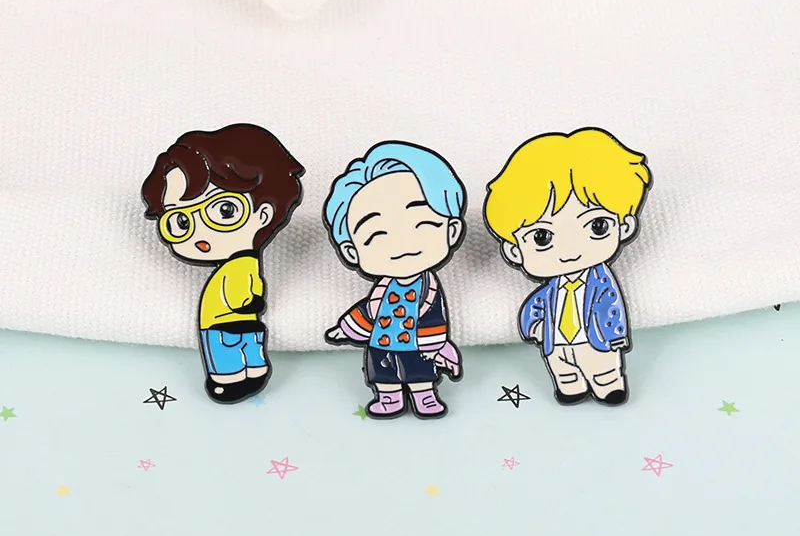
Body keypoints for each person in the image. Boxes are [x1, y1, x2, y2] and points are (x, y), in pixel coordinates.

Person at [483, 127, 652, 407]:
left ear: (624, 226)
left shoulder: (602, 284)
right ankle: (570, 387)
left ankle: (609, 386)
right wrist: (534, 327)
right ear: (514, 250)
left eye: (597, 226)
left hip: (596, 340)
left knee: (603, 369)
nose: (571, 250)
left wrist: (615, 337)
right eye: (542, 237)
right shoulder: (549, 290)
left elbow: (611, 307)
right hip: (556, 341)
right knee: (563, 371)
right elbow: (535, 305)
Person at [141, 123, 304, 404]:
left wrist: (251, 304)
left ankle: (244, 375)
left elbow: (244, 292)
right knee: (232, 357)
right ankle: (229, 379)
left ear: (263, 214)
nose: (201, 233)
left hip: (233, 325)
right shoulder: (239, 266)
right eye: (181, 221)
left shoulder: (243, 264)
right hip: (223, 323)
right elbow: (239, 294)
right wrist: (250, 304)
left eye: (225, 210)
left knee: (243, 354)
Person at [323, 141, 466, 419]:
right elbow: (368, 312)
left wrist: (436, 346)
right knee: (383, 373)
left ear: (452, 230)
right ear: (352, 251)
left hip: (418, 345)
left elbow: (435, 319)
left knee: (420, 372)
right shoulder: (380, 291)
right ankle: (389, 398)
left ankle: (425, 396)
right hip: (381, 344)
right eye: (377, 234)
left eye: (422, 224)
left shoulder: (430, 291)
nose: (402, 243)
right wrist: (346, 328)